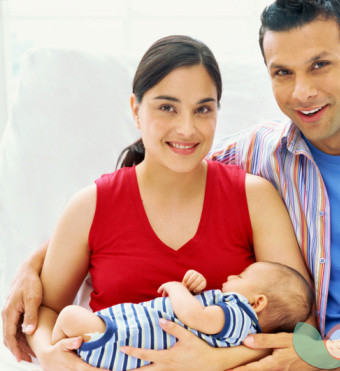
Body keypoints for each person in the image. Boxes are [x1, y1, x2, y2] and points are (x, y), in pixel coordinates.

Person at [3, 0, 340, 369]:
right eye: (283, 72)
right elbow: (160, 181)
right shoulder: (260, 154)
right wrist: (35, 261)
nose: (302, 92)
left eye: (319, 65)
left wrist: (338, 357)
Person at [2, 34, 313, 370]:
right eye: (167, 107)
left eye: (203, 109)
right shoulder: (89, 206)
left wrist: (213, 361)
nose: (186, 128)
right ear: (136, 110)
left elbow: (302, 328)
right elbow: (46, 309)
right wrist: (52, 356)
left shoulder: (255, 198)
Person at [51, 262, 313, 370]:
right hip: (125, 345)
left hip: (117, 338)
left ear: (257, 302)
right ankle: (59, 353)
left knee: (68, 316)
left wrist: (176, 288)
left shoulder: (238, 313)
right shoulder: (236, 326)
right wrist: (193, 288)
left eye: (241, 277)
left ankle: (55, 351)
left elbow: (194, 317)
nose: (232, 277)